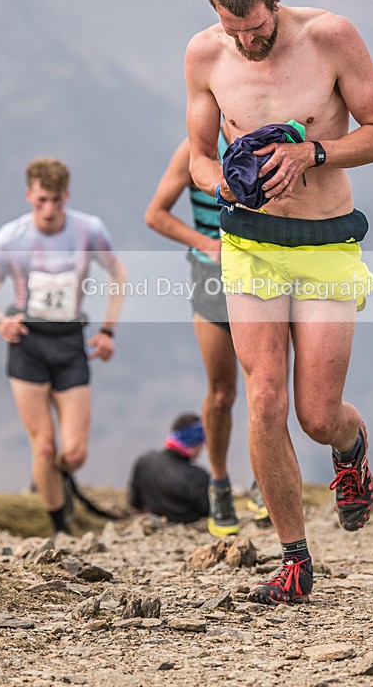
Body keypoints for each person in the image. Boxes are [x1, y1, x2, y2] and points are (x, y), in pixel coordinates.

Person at [185, 0, 373, 604]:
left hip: (326, 243)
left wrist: (313, 152)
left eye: (256, 27)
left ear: (275, 2)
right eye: (233, 28)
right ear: (215, 12)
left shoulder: (331, 37)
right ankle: (293, 559)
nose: (246, 42)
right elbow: (196, 155)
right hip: (249, 244)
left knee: (314, 414)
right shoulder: (204, 54)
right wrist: (222, 180)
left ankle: (350, 444)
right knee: (266, 399)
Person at [0, 158, 127, 535]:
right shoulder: (11, 237)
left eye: (56, 200)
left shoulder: (88, 230)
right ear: (29, 195)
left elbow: (119, 275)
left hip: (70, 342)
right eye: (41, 200)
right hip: (29, 344)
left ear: (66, 197)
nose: (49, 210)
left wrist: (108, 331)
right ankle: (60, 527)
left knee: (73, 453)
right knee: (43, 446)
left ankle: (58, 479)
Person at [145, 133, 268, 536]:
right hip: (211, 277)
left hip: (260, 273)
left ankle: (266, 479)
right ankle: (219, 482)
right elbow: (156, 214)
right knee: (221, 392)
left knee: (265, 386)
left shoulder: (266, 138)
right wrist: (204, 242)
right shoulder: (194, 149)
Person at [128, 412, 210, 523]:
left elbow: (135, 503)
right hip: (188, 525)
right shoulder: (199, 476)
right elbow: (207, 510)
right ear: (195, 438)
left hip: (154, 521)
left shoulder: (145, 461)